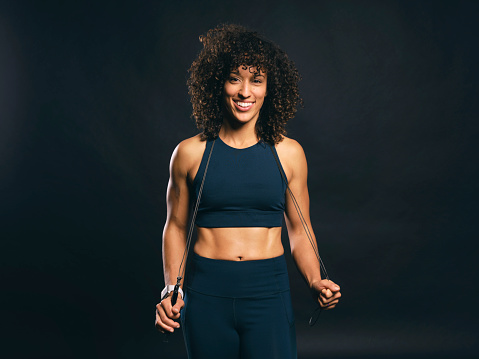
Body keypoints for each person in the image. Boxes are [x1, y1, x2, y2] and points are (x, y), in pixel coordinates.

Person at [155, 24, 341, 359]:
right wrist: (172, 287)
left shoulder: (289, 153)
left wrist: (315, 281)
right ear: (217, 84)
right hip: (206, 293)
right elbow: (176, 227)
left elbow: (299, 229)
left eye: (256, 80)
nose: (245, 91)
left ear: (270, 88)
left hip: (268, 292)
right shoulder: (189, 153)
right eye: (234, 78)